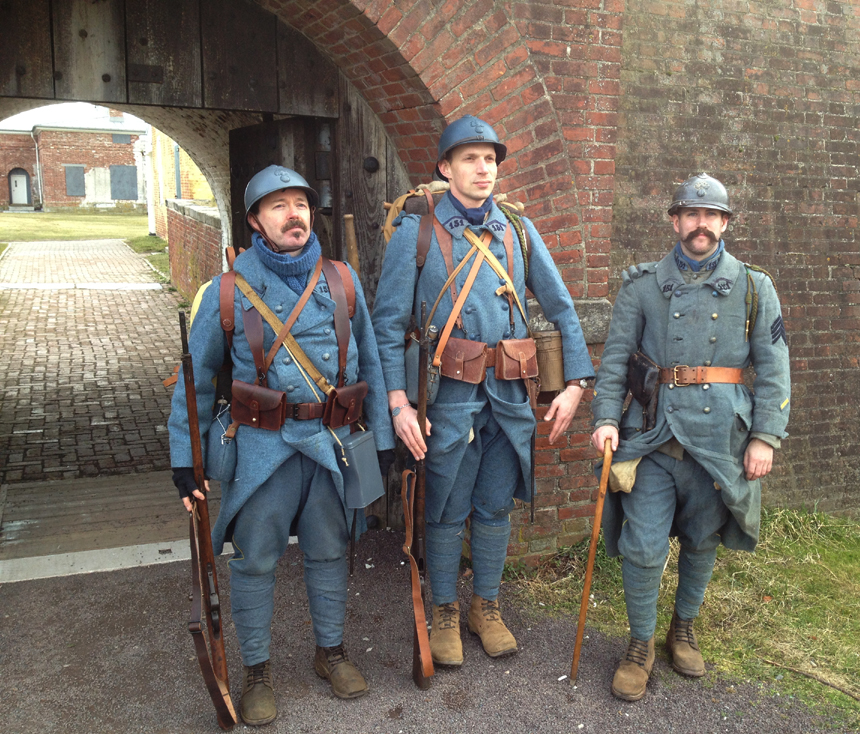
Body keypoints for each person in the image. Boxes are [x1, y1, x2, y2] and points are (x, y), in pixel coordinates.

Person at [168, 165, 395, 726]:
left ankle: (331, 652)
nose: (294, 215)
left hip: (331, 441)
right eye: (279, 206)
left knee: (329, 549)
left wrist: (383, 442)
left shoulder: (341, 279)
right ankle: (258, 671)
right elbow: (194, 383)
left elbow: (373, 358)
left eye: (301, 203)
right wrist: (184, 462)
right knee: (255, 561)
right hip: (262, 450)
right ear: (254, 221)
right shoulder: (224, 290)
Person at [372, 116, 593, 668]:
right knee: (445, 509)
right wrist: (397, 402)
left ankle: (486, 607)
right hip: (447, 397)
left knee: (494, 507)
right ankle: (445, 610)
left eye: (490, 159)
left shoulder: (518, 230)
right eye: (470, 159)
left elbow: (561, 306)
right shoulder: (415, 233)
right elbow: (385, 325)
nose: (483, 168)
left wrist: (575, 383)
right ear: (445, 169)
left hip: (510, 396)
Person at [590, 173, 790, 701]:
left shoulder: (754, 287)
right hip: (653, 436)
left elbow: (774, 368)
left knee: (702, 540)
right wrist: (606, 418)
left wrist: (765, 436)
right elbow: (614, 362)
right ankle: (639, 644)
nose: (701, 224)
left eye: (712, 215)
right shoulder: (639, 286)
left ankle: (683, 627)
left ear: (723, 224)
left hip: (719, 440)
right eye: (691, 214)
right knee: (643, 545)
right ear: (675, 221)